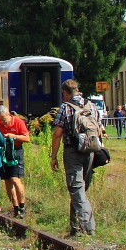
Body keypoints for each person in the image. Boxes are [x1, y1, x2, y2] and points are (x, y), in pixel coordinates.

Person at [49, 79, 97, 237]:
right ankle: (75, 227)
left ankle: (87, 227)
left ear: (65, 92)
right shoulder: (91, 105)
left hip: (72, 151)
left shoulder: (65, 108)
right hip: (90, 151)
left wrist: (53, 156)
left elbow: (57, 134)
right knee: (79, 191)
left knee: (77, 190)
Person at [0, 104, 31, 219]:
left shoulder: (19, 122)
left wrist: (14, 136)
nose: (2, 122)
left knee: (15, 178)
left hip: (16, 151)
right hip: (3, 152)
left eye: (4, 119)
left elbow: (27, 138)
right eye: (0, 119)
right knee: (7, 180)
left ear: (8, 115)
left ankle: (22, 206)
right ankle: (15, 207)